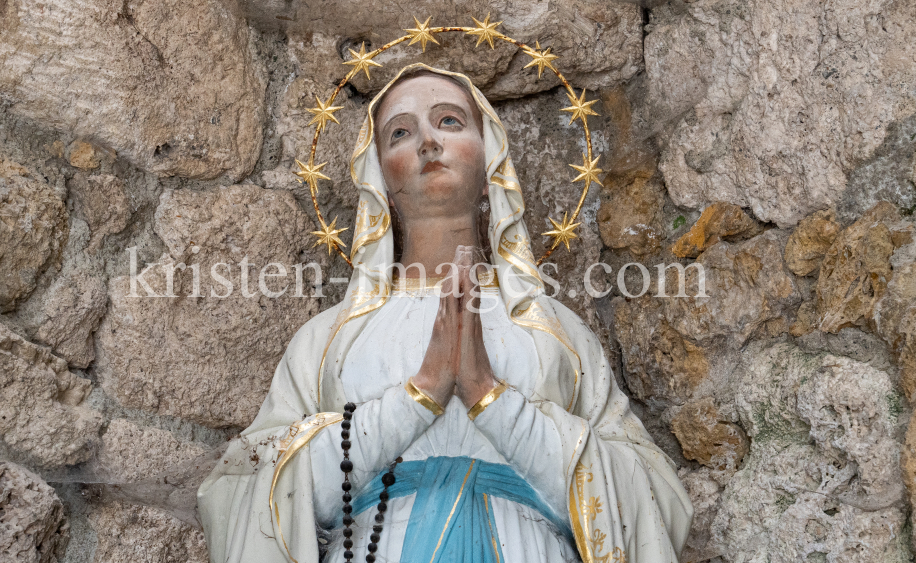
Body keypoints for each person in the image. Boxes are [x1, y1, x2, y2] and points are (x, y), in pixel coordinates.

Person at [197, 63, 692, 563]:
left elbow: (647, 493)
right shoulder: (328, 340)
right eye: (401, 132)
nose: (427, 142)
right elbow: (248, 487)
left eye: (449, 121)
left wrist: (490, 398)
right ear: (382, 187)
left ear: (489, 170)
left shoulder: (553, 328)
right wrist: (418, 396)